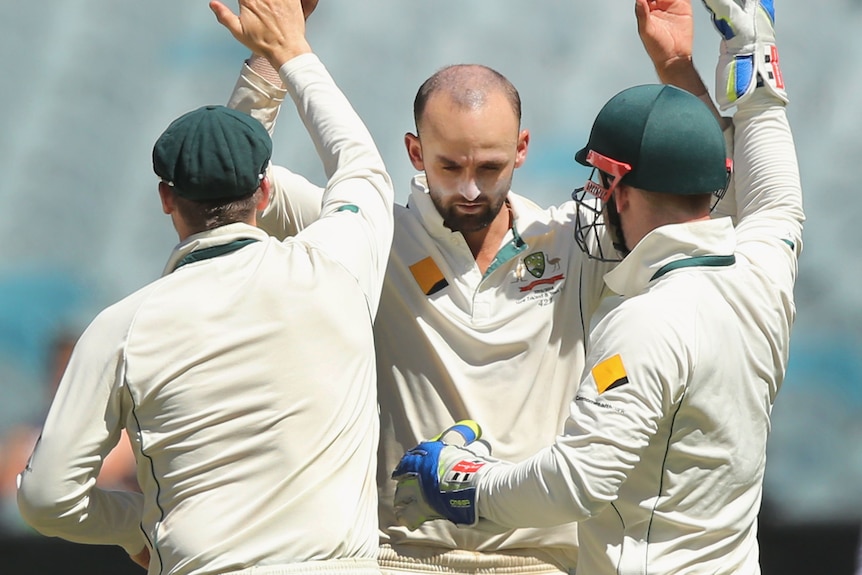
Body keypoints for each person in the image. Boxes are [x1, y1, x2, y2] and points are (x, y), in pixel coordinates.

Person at [225, 2, 734, 574]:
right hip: (401, 558)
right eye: (449, 167)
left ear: (522, 149)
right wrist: (271, 56)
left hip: (542, 562)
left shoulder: (577, 240)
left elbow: (702, 194)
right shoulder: (371, 231)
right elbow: (234, 184)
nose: (470, 188)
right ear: (415, 153)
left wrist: (678, 69)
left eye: (490, 167)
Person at [391, 0, 804, 573]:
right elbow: (771, 194)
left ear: (620, 189)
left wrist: (461, 484)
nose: (590, 195)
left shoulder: (642, 323)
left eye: (598, 179)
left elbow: (580, 480)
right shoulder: (767, 270)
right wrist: (742, 50)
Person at [16, 0, 394, 573]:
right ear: (266, 194)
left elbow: (46, 498)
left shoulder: (123, 328)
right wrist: (289, 52)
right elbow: (362, 171)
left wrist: (136, 524)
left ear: (166, 198)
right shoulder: (334, 270)